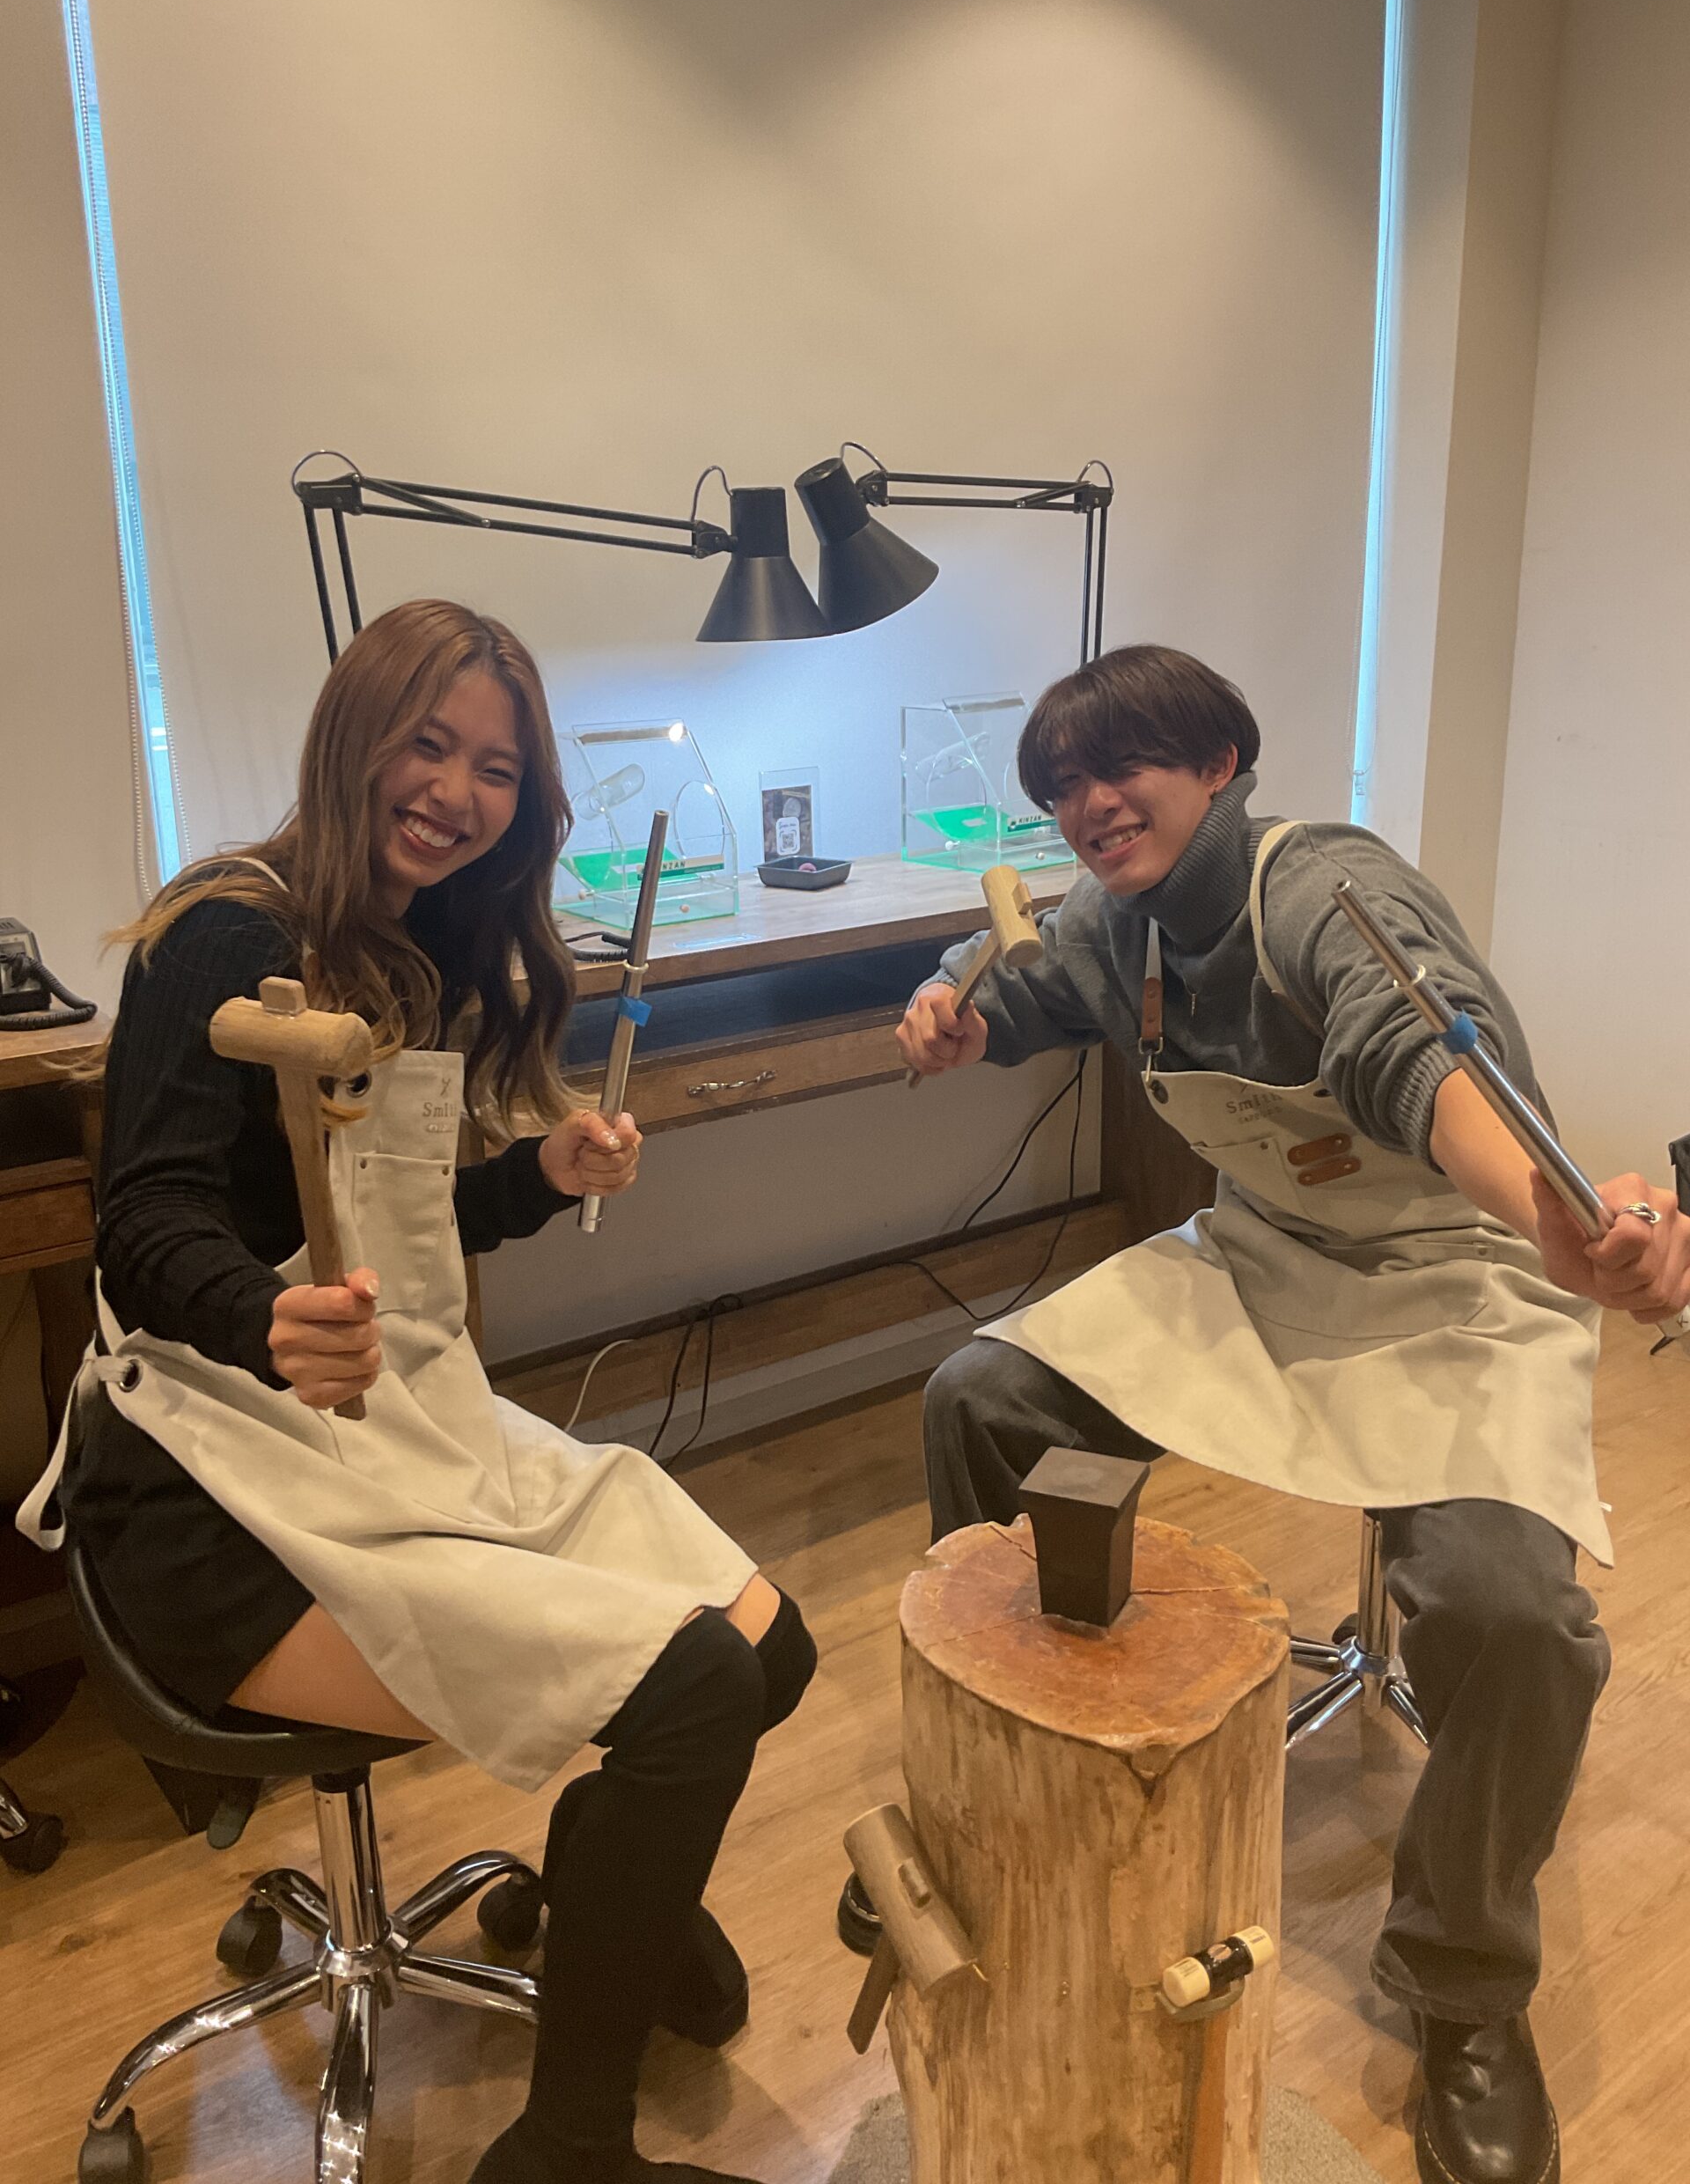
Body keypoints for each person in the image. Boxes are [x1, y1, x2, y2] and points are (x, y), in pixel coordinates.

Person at [18, 600, 812, 2184]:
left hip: (385, 1433)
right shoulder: (221, 937)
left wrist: (538, 1176)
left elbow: (390, 1223)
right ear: (352, 735)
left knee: (765, 1647)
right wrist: (265, 1318)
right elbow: (149, 1221)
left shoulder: (418, 945)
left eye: (497, 769)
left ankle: (600, 1886)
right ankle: (563, 2153)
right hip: (206, 1486)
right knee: (689, 1697)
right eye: (427, 744)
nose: (456, 792)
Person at [894, 645, 1690, 2184]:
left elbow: (1425, 1055)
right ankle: (1010, 1787)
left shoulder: (1324, 894)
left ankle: (1466, 1990)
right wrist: (945, 1007)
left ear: (1222, 764)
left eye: (1123, 766)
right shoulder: (1117, 920)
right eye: (1062, 786)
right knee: (981, 1400)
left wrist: (1558, 1220)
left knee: (1511, 1615)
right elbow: (1012, 974)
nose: (1089, 803)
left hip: (1455, 1272)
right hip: (1267, 1260)